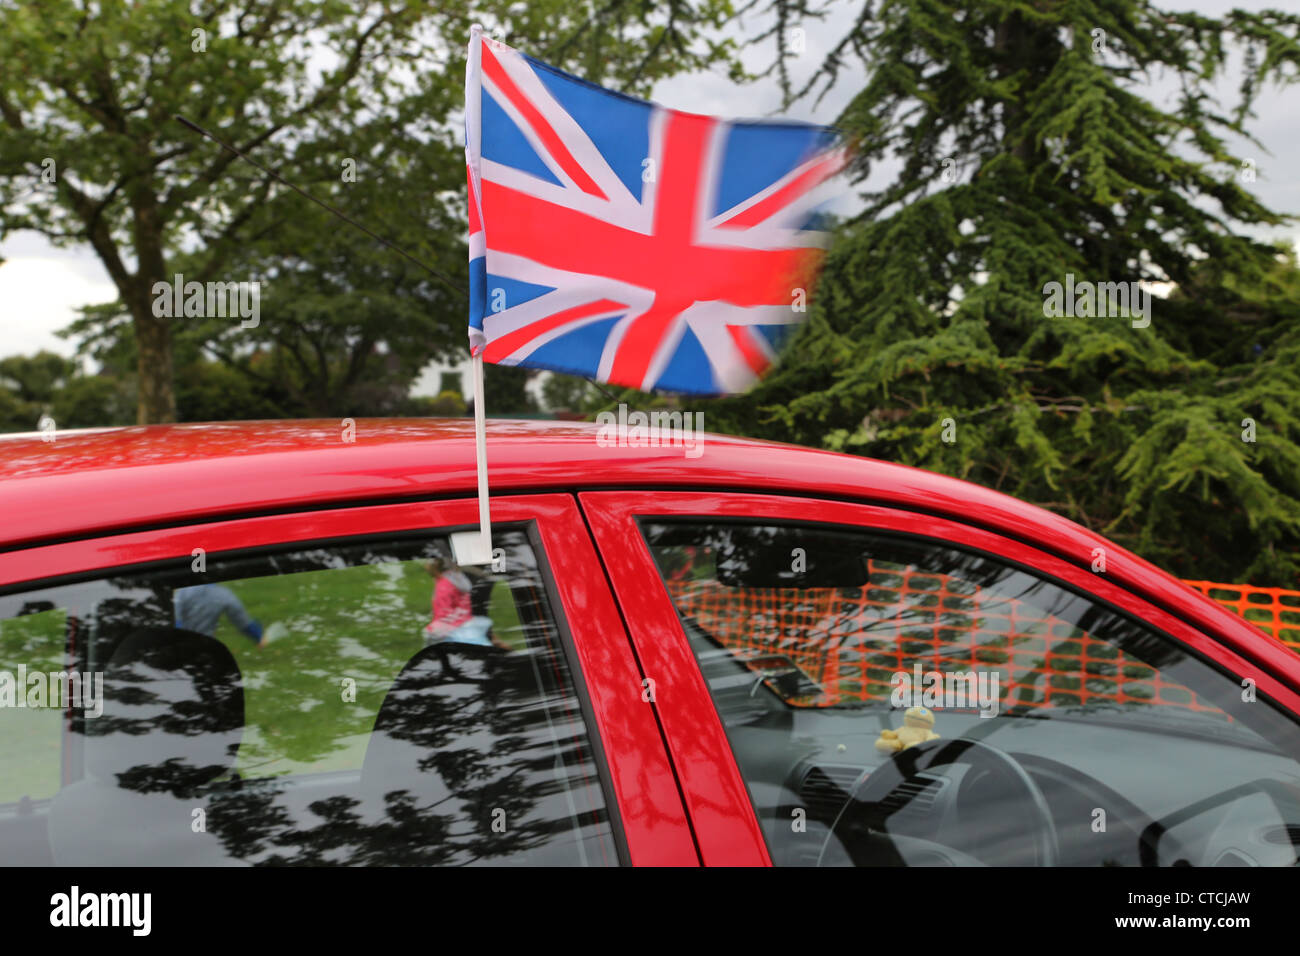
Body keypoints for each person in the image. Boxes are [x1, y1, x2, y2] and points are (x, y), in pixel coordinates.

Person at [422, 558, 500, 647]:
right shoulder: (455, 581)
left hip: (457, 629)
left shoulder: (445, 586)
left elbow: (444, 614)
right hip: (463, 626)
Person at [174, 583, 276, 648]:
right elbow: (243, 622)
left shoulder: (184, 591)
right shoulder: (224, 595)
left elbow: (175, 617)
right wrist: (258, 636)